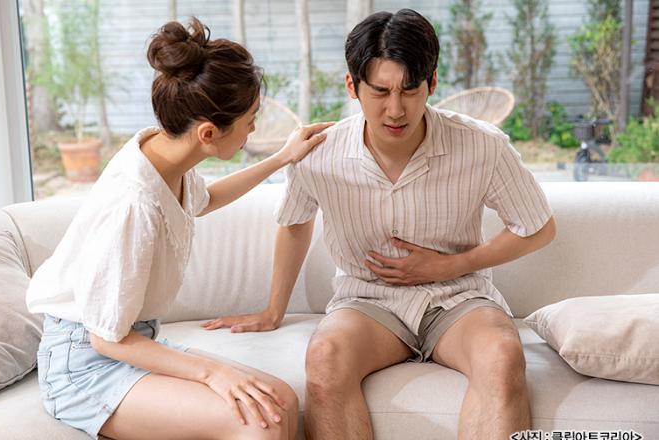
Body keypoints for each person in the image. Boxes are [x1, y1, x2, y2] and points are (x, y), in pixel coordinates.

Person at [203, 9, 556, 440]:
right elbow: (295, 223)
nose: (395, 109)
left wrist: (450, 265)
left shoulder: (482, 145)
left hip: (459, 299)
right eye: (380, 91)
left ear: (432, 83)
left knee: (502, 355)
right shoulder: (318, 154)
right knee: (325, 356)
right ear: (352, 86)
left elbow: (538, 227)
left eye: (410, 90)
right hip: (367, 302)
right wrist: (273, 310)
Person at [26, 17, 332, 440]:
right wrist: (213, 372)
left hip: (132, 343)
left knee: (279, 399)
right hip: (84, 366)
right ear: (208, 133)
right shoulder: (133, 205)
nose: (253, 129)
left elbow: (206, 199)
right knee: (264, 420)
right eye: (250, 119)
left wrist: (283, 157)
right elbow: (105, 339)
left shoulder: (165, 152)